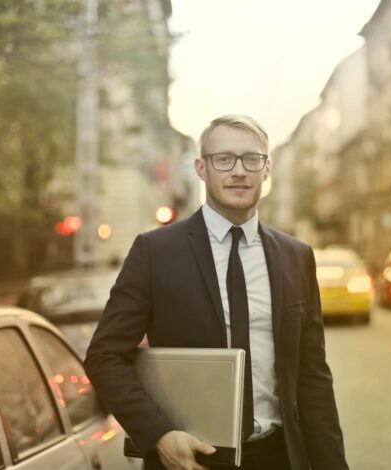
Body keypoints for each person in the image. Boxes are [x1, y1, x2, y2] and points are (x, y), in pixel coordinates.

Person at [84, 114, 349, 470]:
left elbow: (313, 375)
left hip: (279, 457)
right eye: (223, 159)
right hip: (190, 459)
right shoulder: (155, 252)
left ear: (266, 169)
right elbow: (104, 356)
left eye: (251, 159)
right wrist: (158, 435)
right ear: (201, 168)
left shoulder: (295, 256)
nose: (238, 171)